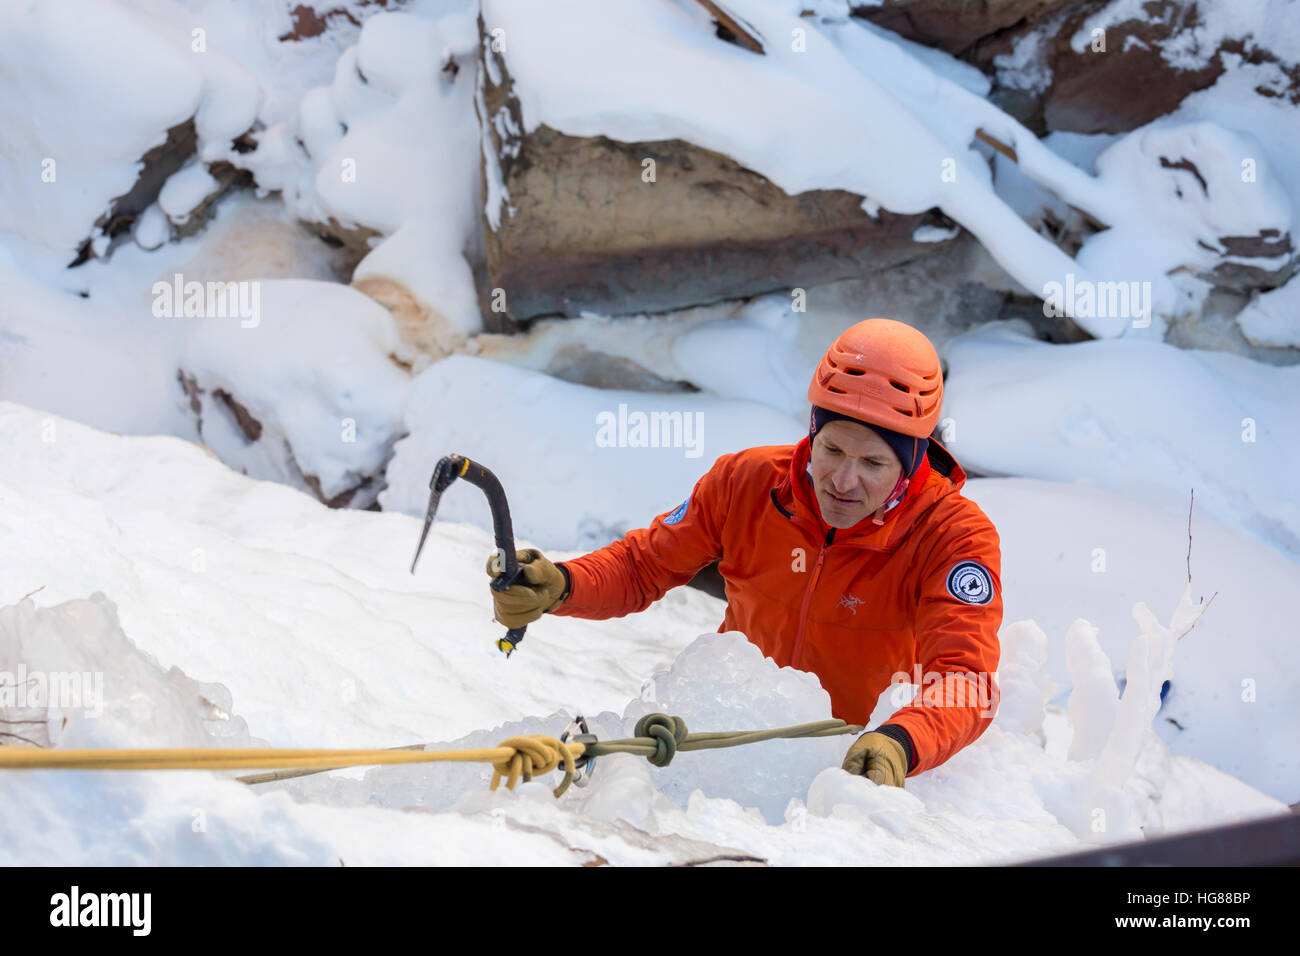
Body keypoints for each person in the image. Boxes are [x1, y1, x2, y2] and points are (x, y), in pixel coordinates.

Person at [485, 318, 1002, 788]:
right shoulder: (747, 483)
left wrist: (902, 741)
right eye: (833, 450)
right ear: (812, 433)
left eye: (872, 462)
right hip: (728, 743)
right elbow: (644, 565)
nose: (843, 482)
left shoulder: (952, 537)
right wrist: (564, 585)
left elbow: (966, 680)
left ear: (911, 465)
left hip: (855, 765)